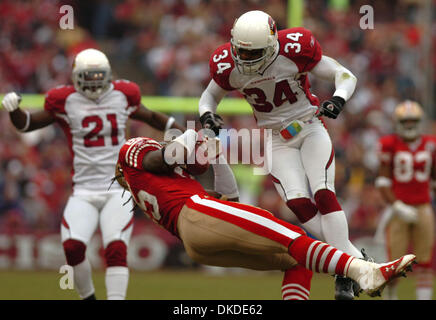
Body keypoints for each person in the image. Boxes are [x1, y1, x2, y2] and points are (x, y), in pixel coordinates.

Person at [114, 128, 416, 300]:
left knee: (297, 259)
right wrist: (191, 135)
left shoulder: (160, 186)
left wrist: (216, 156)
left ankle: (356, 272)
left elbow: (229, 198)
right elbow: (165, 157)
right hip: (194, 212)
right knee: (295, 236)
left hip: (196, 235)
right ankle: (363, 271)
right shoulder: (135, 152)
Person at [198, 10, 363, 299]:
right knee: (298, 203)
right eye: (241, 52)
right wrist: (207, 116)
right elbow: (209, 96)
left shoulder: (294, 49)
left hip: (309, 127)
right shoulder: (227, 65)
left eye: (254, 53)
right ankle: (357, 262)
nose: (246, 60)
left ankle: (344, 273)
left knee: (324, 193)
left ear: (272, 43)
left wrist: (338, 99)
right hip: (276, 138)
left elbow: (344, 74)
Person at [1, 48, 184, 300]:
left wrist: (182, 132)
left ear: (108, 75)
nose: (95, 82)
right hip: (83, 191)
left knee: (116, 249)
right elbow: (27, 124)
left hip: (117, 188)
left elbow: (151, 115)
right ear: (76, 77)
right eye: (90, 76)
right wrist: (14, 111)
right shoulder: (64, 100)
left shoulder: (123, 95)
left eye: (99, 76)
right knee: (72, 247)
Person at [375, 101, 434, 300]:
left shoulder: (431, 144)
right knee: (395, 264)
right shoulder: (389, 144)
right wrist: (397, 206)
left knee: (425, 262)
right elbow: (382, 181)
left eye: (413, 121)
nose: (409, 125)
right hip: (398, 210)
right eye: (405, 121)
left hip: (423, 207)